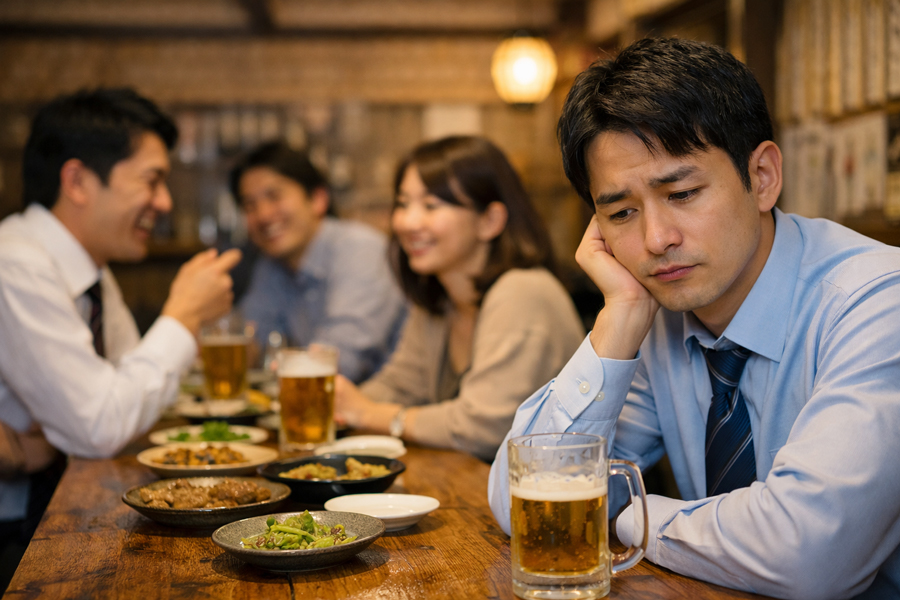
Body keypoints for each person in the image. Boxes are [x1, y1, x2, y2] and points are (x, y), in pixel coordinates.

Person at [488, 37, 900, 599]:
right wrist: (620, 317)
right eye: (621, 212)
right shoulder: (658, 317)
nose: (656, 240)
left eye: (681, 193)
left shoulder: (876, 302)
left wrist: (632, 516)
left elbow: (810, 554)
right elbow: (521, 503)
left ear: (762, 176)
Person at [0, 88, 240, 586]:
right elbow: (101, 425)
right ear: (77, 181)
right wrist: (183, 314)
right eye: (152, 180)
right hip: (14, 532)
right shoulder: (16, 265)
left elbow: (128, 401)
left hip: (63, 504)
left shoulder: (90, 271)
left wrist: (60, 433)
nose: (165, 202)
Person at [334, 136, 584, 462]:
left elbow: (482, 427)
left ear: (490, 221)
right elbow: (399, 385)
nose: (408, 222)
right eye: (403, 204)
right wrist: (340, 405)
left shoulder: (523, 291)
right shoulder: (442, 297)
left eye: (431, 206)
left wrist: (371, 415)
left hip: (555, 488)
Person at [230, 142, 407, 383]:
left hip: (385, 403)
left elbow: (340, 360)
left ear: (318, 199)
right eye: (249, 206)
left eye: (274, 196)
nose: (263, 215)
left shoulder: (359, 250)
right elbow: (253, 342)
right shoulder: (271, 266)